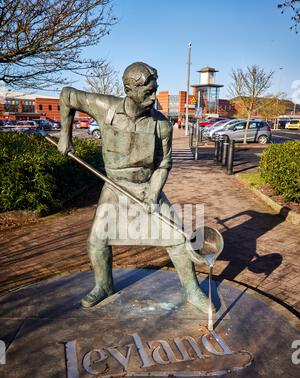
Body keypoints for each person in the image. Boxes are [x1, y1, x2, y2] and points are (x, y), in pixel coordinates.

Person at [58, 62, 212, 313]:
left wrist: (153, 194)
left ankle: (192, 290)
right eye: (148, 92)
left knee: (177, 239)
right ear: (129, 89)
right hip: (115, 187)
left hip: (146, 187)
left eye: (155, 90)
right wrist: (66, 135)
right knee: (97, 240)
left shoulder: (161, 125)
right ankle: (103, 285)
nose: (154, 97)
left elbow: (164, 164)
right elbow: (67, 95)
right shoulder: (104, 107)